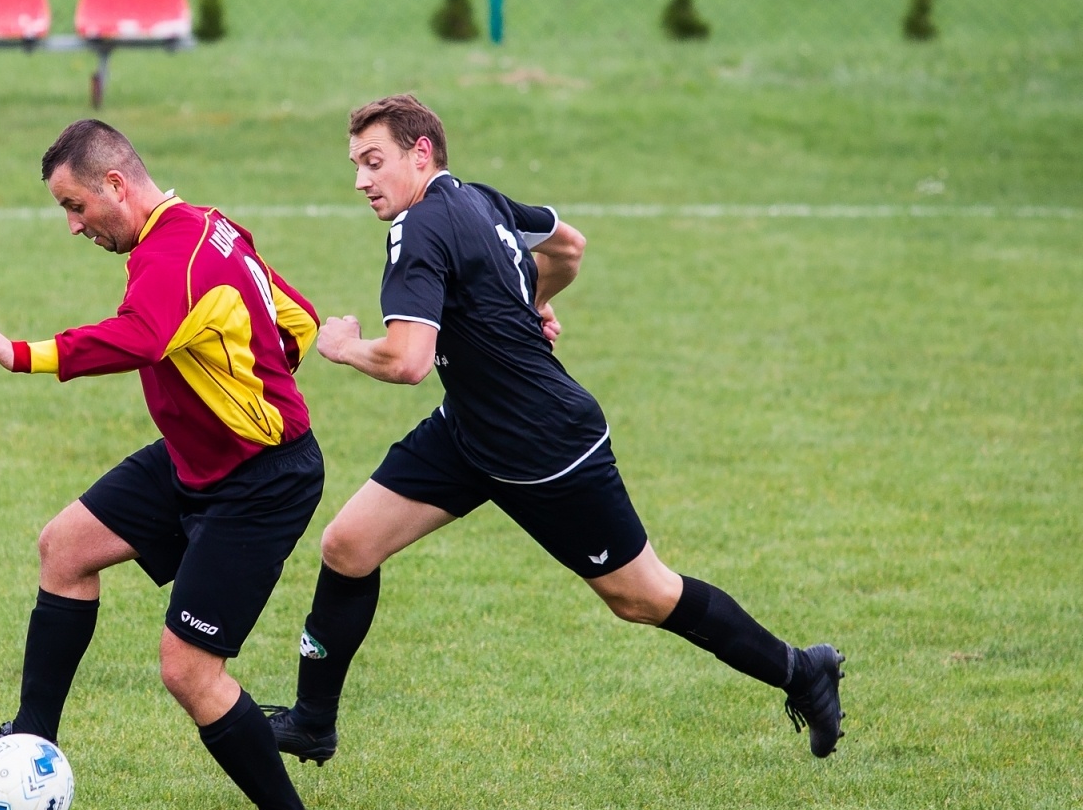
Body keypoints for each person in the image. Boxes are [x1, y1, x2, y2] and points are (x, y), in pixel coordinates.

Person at [263, 95, 846, 771]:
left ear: (421, 153)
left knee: (643, 597)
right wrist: (529, 303)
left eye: (374, 162)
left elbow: (408, 360)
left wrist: (341, 345)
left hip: (547, 445)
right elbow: (568, 247)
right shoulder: (478, 199)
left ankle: (802, 670)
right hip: (471, 428)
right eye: (356, 165)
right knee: (348, 545)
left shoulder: (417, 229)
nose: (362, 180)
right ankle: (312, 723)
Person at [0, 120, 330, 810]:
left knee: (188, 669)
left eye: (75, 206)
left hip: (260, 482)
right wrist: (254, 366)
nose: (73, 226)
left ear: (115, 185)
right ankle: (28, 739)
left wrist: (23, 355)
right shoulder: (208, 229)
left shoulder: (175, 254)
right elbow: (296, 319)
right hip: (195, 456)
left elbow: (138, 337)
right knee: (65, 547)